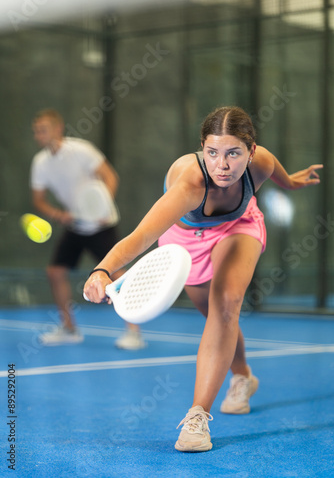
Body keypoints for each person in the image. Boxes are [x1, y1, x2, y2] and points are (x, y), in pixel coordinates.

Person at [83, 106, 322, 451]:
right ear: (202, 148)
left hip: (239, 227)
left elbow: (279, 174)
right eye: (212, 152)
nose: (222, 165)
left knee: (226, 304)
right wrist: (101, 270)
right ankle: (242, 376)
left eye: (233, 153)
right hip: (184, 240)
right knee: (213, 315)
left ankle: (197, 417)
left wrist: (293, 182)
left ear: (251, 151)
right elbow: (141, 237)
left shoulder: (261, 163)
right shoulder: (191, 184)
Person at [30, 108, 146, 349]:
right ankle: (69, 329)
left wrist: (103, 206)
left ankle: (134, 333)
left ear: (58, 128)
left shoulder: (81, 150)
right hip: (76, 224)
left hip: (102, 223)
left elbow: (110, 176)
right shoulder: (40, 163)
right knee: (55, 272)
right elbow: (39, 199)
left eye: (43, 130)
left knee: (117, 274)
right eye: (36, 132)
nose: (38, 135)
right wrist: (58, 214)